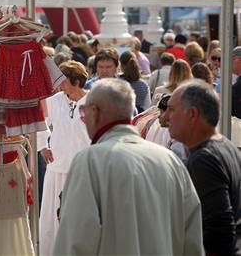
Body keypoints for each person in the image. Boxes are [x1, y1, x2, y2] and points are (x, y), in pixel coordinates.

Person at [54, 79, 203, 255]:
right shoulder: (170, 161)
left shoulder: (90, 161)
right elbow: (193, 239)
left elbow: (75, 240)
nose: (83, 117)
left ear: (94, 112)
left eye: (83, 111)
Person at [166, 80, 241, 255]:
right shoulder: (225, 145)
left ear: (192, 113)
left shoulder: (205, 159)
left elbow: (219, 232)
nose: (165, 116)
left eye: (172, 109)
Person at [38, 61, 90, 256]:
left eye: (63, 80)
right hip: (56, 167)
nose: (59, 84)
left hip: (82, 171)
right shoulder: (55, 100)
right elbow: (41, 121)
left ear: (76, 81)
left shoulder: (93, 102)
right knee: (53, 219)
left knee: (79, 219)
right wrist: (43, 145)